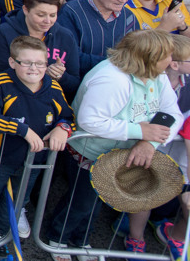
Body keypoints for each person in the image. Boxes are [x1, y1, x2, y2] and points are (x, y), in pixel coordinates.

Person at [45, 29, 179, 256]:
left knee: (99, 201)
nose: (172, 60)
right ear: (149, 58)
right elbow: (90, 121)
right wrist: (140, 131)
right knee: (82, 202)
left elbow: (172, 112)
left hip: (119, 153)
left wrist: (148, 143)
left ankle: (81, 242)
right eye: (167, 55)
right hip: (91, 152)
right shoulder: (112, 79)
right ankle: (57, 241)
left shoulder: (158, 76)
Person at [0, 36, 72, 255]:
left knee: (19, 199)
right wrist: (21, 130)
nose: (33, 68)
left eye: (40, 63)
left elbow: (67, 114)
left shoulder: (53, 87)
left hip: (34, 161)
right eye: (26, 62)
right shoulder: (1, 83)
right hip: (0, 156)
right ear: (12, 62)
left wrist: (62, 128)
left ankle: (1, 234)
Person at [0, 0, 81, 97]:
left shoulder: (65, 36)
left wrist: (61, 76)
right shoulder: (4, 33)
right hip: (14, 101)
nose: (47, 21)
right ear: (25, 10)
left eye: (53, 15)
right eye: (41, 15)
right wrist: (39, 75)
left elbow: (75, 84)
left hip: (52, 104)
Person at [57, 0, 137, 74]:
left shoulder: (129, 17)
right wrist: (117, 63)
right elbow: (71, 57)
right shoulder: (70, 13)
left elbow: (137, 55)